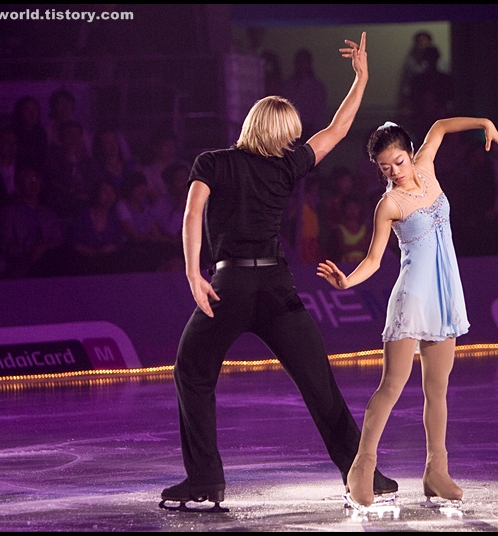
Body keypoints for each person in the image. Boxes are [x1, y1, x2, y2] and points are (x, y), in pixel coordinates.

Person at [161, 32, 399, 510]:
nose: (295, 138)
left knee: (192, 370)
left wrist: (193, 274)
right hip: (275, 287)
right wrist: (362, 78)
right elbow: (337, 129)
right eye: (289, 130)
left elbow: (191, 216)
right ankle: (364, 475)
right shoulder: (286, 166)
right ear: (274, 130)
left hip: (228, 284)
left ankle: (205, 479)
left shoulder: (213, 162)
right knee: (318, 382)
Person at [316, 117, 498, 508]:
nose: (395, 172)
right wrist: (347, 283)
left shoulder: (427, 168)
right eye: (385, 167)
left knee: (437, 391)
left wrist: (485, 123)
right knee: (392, 386)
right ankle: (362, 467)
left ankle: (436, 471)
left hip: (443, 295)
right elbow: (373, 260)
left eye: (399, 162)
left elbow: (439, 126)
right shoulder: (388, 204)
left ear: (409, 152)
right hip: (412, 298)